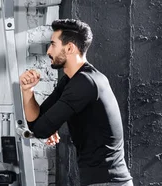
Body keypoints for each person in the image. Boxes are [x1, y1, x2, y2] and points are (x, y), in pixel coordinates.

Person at [20, 19, 133, 186]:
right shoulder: (71, 81)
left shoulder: (85, 82)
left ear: (70, 48)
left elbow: (41, 129)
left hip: (109, 182)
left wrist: (49, 125)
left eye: (53, 44)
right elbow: (36, 122)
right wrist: (27, 91)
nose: (49, 50)